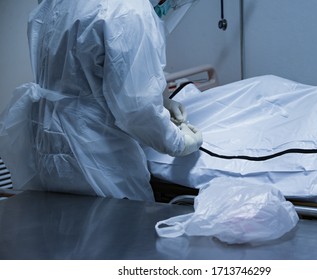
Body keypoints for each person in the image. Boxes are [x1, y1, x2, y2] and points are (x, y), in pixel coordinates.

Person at [0, 0, 202, 201]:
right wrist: (179, 141)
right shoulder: (129, 9)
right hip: (96, 155)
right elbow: (137, 108)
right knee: (112, 228)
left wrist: (162, 101)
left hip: (49, 141)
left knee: (60, 224)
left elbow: (82, 73)